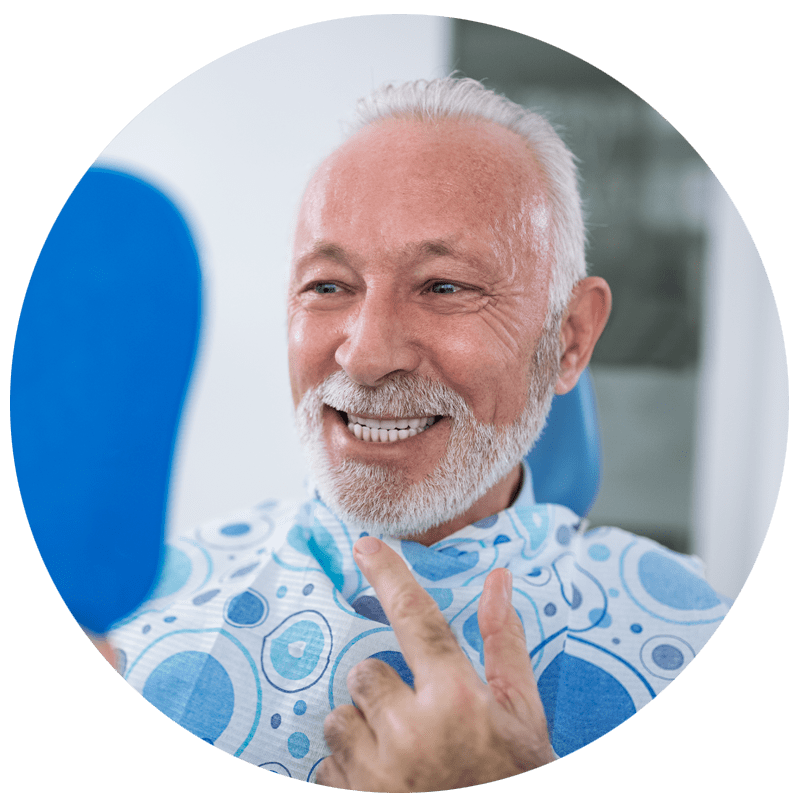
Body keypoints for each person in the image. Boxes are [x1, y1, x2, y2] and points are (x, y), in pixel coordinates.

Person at [107, 77, 729, 790]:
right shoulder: (133, 621)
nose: (365, 356)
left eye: (444, 287)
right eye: (328, 286)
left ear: (569, 340)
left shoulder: (698, 640)